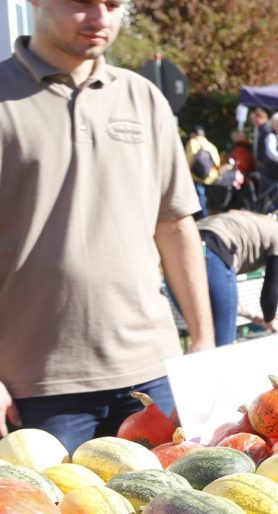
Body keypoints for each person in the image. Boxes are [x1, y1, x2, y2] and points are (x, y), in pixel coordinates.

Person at [0, 0, 215, 451]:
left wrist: (203, 339)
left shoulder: (144, 98)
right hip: (36, 389)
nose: (100, 18)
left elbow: (175, 223)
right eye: (82, 2)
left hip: (153, 374)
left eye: (113, 5)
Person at [196, 210, 278, 345]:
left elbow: (223, 301)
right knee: (223, 344)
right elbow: (270, 291)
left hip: (194, 243)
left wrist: (255, 316)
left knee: (202, 338)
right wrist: (270, 318)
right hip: (211, 246)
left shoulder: (258, 222)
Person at [185, 125, 221, 217]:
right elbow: (217, 163)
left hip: (197, 177)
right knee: (208, 202)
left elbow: (189, 160)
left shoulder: (193, 142)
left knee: (199, 202)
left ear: (193, 134)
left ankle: (202, 218)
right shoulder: (211, 145)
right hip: (211, 178)